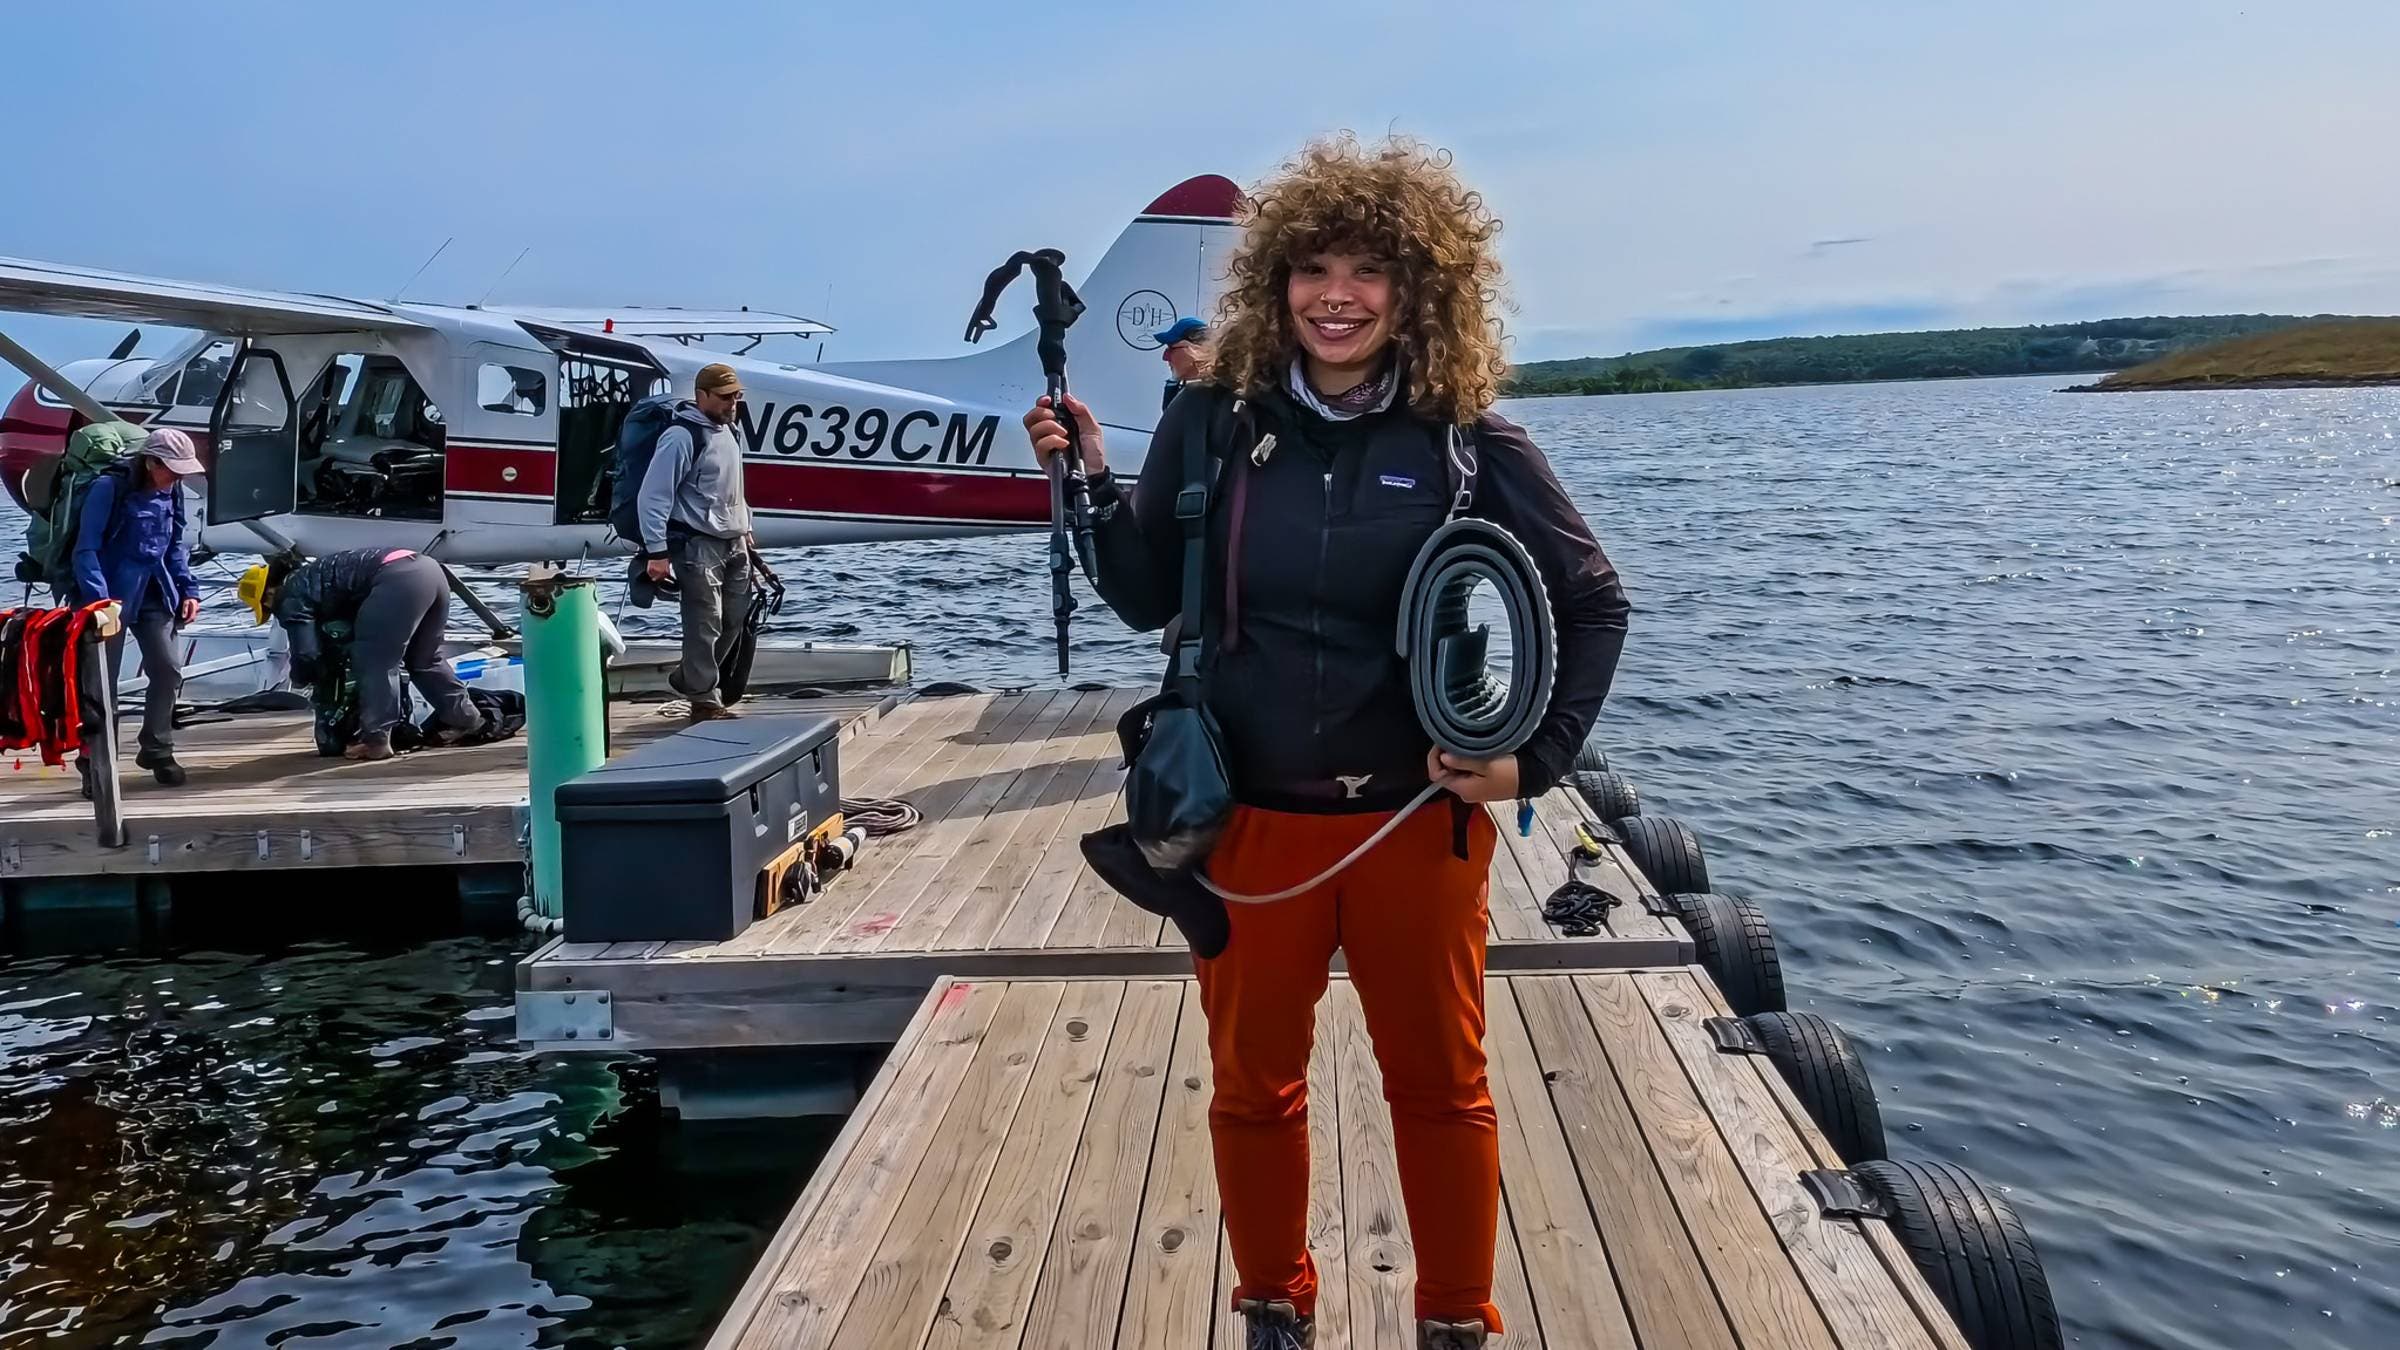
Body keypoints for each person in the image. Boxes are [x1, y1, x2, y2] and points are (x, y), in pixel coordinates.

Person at [1024, 135, 1630, 1350]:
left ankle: (1458, 1319)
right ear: (1274, 287)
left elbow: (1594, 599)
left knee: (1441, 1088)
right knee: (1254, 1086)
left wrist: (1535, 762)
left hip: (1419, 823)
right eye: (1312, 269)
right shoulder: (1208, 423)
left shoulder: (1469, 441)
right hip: (1247, 823)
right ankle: (1272, 1309)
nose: (1336, 294)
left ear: (1419, 289)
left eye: (1368, 269)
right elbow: (1146, 597)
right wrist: (1087, 480)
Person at [242, 548, 480, 760]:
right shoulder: (310, 575)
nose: (274, 613)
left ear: (269, 594)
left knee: (375, 661)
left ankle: (376, 741)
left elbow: (306, 654)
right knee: (425, 659)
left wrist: (303, 678)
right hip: (427, 569)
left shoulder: (289, 595)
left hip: (394, 580)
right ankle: (466, 720)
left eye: (266, 609)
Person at [70, 428, 206, 787]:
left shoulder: (171, 489)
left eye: (181, 472)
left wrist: (188, 588)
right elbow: (86, 549)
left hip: (155, 591)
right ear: (150, 462)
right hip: (109, 597)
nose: (176, 478)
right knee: (102, 684)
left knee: (168, 668)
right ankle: (95, 764)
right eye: (171, 471)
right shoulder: (108, 489)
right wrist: (100, 601)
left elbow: (176, 543)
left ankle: (157, 747)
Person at [639, 361, 753, 721]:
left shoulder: (730, 431)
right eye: (724, 397)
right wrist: (657, 551)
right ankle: (704, 698)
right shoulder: (681, 436)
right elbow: (654, 496)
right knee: (705, 622)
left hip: (734, 539)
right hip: (697, 542)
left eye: (736, 397)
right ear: (701, 395)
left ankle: (690, 677)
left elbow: (733, 487)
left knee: (735, 618)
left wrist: (746, 527)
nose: (732, 404)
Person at [1154, 315, 1214, 410]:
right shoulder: (1180, 388)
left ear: (1194, 349)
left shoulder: (1220, 393)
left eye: (1172, 349)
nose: (1165, 357)